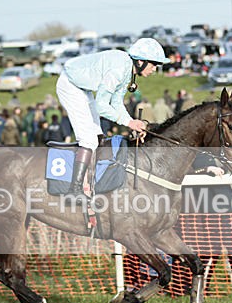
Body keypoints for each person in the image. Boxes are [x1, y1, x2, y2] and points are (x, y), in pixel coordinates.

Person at [55, 37, 165, 205]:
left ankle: (92, 183)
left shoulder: (127, 70)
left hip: (82, 88)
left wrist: (132, 122)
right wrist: (129, 123)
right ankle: (74, 190)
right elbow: (102, 106)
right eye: (154, 64)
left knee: (98, 137)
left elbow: (116, 103)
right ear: (140, 61)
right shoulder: (119, 69)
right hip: (70, 85)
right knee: (89, 140)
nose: (154, 69)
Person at [179, 152, 232, 295]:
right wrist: (206, 170)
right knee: (210, 253)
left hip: (227, 208)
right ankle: (201, 289)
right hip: (207, 211)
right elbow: (183, 172)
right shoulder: (189, 152)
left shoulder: (218, 150)